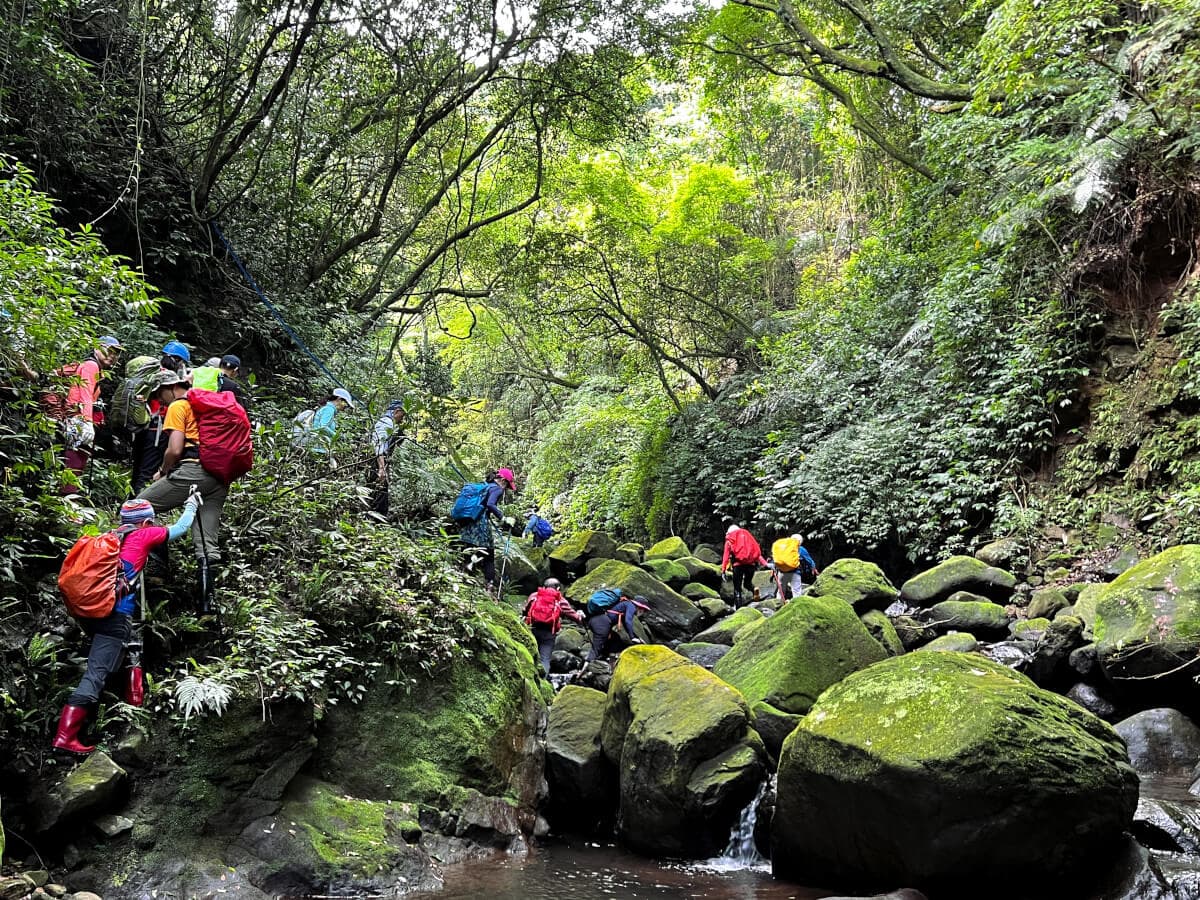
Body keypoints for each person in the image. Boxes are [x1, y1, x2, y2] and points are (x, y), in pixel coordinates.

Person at [52, 494, 202, 753]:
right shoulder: (143, 535)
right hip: (115, 616)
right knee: (97, 673)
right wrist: (192, 503)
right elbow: (181, 527)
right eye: (152, 521)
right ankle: (66, 737)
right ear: (145, 523)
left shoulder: (109, 538)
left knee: (126, 647)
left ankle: (133, 706)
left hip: (90, 614)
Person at [135, 369, 229, 613]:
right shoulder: (213, 407)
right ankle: (206, 607)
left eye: (159, 394)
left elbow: (175, 450)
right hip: (219, 477)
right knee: (207, 542)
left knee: (138, 507)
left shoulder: (180, 406)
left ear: (171, 388)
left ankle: (151, 570)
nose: (160, 400)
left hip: (192, 471)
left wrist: (163, 471)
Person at [43, 335, 123, 497]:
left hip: (70, 415)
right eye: (109, 350)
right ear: (96, 348)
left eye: (116, 353)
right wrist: (85, 420)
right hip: (75, 417)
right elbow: (83, 393)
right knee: (76, 458)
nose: (112, 356)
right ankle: (67, 501)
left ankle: (62, 500)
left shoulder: (92, 368)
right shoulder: (91, 365)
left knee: (71, 458)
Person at [458, 467, 516, 596]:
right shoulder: (497, 489)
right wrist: (503, 518)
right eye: (506, 485)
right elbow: (490, 504)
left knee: (469, 550)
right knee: (489, 555)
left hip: (469, 523)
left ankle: (465, 579)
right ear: (502, 480)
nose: (505, 488)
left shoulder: (485, 486)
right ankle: (489, 586)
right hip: (481, 525)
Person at [523, 577, 582, 675]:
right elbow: (575, 617)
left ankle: (527, 676)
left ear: (543, 587)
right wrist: (580, 616)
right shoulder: (560, 600)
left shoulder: (534, 596)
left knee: (528, 653)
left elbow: (525, 610)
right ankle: (542, 683)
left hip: (532, 628)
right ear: (558, 589)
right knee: (545, 659)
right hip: (549, 632)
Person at [585, 591, 649, 661]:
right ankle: (586, 666)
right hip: (602, 623)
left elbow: (626, 625)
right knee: (596, 648)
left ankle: (606, 659)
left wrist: (635, 637)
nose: (643, 612)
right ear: (640, 608)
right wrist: (632, 638)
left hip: (598, 621)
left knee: (615, 640)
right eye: (644, 610)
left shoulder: (625, 605)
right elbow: (628, 621)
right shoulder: (631, 606)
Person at [368, 399, 406, 517]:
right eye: (402, 415)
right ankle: (375, 521)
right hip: (378, 461)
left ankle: (378, 521)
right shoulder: (386, 422)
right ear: (396, 411)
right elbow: (379, 445)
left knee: (381, 492)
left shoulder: (392, 425)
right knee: (379, 492)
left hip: (381, 461)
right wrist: (381, 468)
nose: (402, 418)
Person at [721, 524, 769, 606]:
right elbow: (757, 553)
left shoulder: (729, 540)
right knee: (747, 583)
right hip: (751, 565)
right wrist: (766, 564)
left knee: (737, 588)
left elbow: (726, 556)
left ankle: (739, 608)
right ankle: (754, 589)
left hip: (738, 566)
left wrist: (723, 570)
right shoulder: (748, 537)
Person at [306, 387, 354, 454]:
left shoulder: (327, 408)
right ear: (339, 399)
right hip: (317, 448)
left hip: (318, 446)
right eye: (345, 403)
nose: (345, 407)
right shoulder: (329, 409)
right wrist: (337, 436)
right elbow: (322, 427)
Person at [773, 533, 819, 599]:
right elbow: (809, 561)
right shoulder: (801, 549)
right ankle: (796, 605)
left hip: (781, 572)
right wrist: (814, 568)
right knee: (796, 591)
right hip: (794, 572)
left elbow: (777, 558)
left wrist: (774, 569)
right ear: (800, 542)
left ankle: (777, 605)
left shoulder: (783, 547)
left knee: (780, 592)